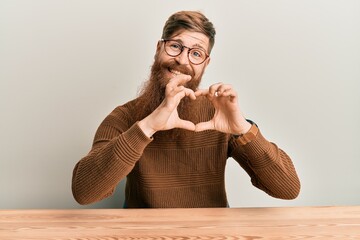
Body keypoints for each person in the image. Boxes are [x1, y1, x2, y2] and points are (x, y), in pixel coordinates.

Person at [72, 10, 300, 208]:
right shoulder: (124, 117)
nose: (182, 60)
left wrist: (242, 128)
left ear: (205, 64)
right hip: (146, 234)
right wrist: (148, 126)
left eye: (196, 53)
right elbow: (84, 192)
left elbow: (288, 189)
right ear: (158, 48)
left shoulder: (217, 115)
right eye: (174, 46)